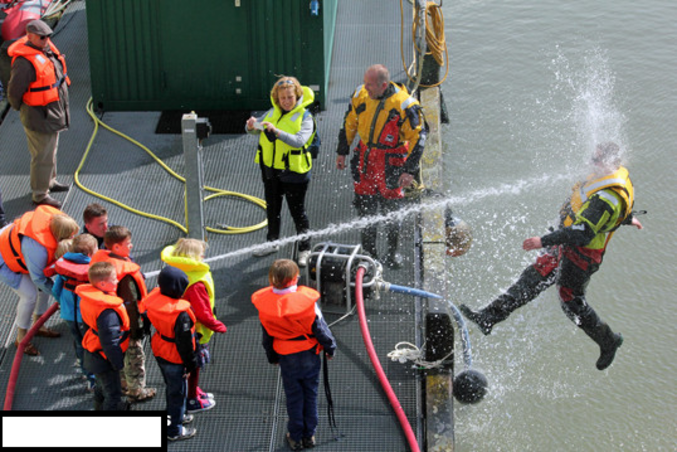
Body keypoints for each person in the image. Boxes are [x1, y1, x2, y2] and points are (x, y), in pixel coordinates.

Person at [460, 142, 643, 371]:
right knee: (534, 275)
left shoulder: (607, 198)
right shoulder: (607, 178)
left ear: (610, 163)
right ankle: (489, 317)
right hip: (567, 244)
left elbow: (583, 232)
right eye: (592, 157)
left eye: (596, 160)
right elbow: (607, 212)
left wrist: (542, 241)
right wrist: (626, 219)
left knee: (570, 301)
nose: (591, 163)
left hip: (582, 255)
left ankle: (608, 341)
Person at [336, 64, 427, 269]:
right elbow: (349, 122)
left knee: (392, 211)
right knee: (365, 208)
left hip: (392, 160)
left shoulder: (405, 105)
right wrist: (342, 150)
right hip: (366, 157)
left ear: (383, 85)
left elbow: (418, 138)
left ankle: (392, 253)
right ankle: (369, 253)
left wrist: (409, 170)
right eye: (365, 83)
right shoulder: (360, 95)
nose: (365, 88)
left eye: (370, 85)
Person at [252, 259, 336, 451]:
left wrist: (273, 357)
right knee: (311, 394)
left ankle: (295, 435)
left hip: (286, 357)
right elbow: (320, 330)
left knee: (294, 397)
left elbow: (267, 337)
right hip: (308, 355)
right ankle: (309, 435)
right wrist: (330, 348)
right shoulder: (307, 304)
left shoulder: (265, 306)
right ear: (293, 279)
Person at [245, 76, 317, 267]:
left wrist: (276, 132)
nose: (286, 101)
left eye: (290, 97)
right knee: (273, 209)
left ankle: (305, 248)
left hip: (294, 172)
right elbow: (258, 129)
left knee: (297, 212)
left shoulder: (305, 117)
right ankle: (272, 242)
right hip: (270, 170)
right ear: (276, 98)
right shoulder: (272, 112)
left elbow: (299, 140)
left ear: (297, 96)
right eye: (282, 98)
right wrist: (251, 126)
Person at [7, 19, 70, 208]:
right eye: (42, 38)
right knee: (41, 155)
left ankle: (49, 181)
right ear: (31, 37)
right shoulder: (24, 63)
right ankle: (40, 194)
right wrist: (21, 108)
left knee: (51, 151)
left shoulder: (45, 50)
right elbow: (14, 91)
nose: (46, 40)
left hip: (52, 113)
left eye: (48, 37)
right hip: (38, 116)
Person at [0, 205, 78, 355]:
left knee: (44, 289)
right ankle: (21, 337)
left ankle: (39, 325)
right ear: (59, 235)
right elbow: (38, 279)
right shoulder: (38, 249)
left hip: (20, 251)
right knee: (30, 295)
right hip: (4, 258)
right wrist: (61, 296)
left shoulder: (57, 223)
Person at [91, 225, 157, 401]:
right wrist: (137, 329)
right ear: (116, 247)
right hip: (126, 323)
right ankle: (136, 391)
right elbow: (131, 305)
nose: (132, 246)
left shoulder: (100, 261)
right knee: (135, 357)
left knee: (120, 356)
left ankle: (122, 382)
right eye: (128, 243)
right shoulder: (125, 276)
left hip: (110, 322)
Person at [161, 238, 225, 413]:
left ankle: (193, 390)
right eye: (201, 254)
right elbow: (203, 312)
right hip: (194, 332)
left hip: (176, 329)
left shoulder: (173, 272)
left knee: (187, 365)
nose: (204, 256)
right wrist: (217, 325)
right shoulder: (196, 283)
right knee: (193, 365)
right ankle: (192, 399)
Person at [143, 266, 199, 441]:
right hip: (175, 356)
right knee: (177, 392)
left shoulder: (153, 301)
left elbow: (144, 320)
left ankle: (179, 415)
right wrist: (191, 364)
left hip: (160, 348)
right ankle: (174, 429)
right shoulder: (181, 315)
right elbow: (184, 344)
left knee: (171, 386)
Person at [76, 262, 129, 410]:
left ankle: (97, 407)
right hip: (104, 358)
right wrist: (118, 363)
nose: (117, 281)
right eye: (113, 279)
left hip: (92, 352)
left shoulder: (89, 300)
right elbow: (110, 342)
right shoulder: (107, 312)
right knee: (113, 395)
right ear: (103, 284)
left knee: (101, 388)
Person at [51, 233, 98, 390]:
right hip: (86, 317)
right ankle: (95, 378)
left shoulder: (65, 269)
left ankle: (87, 375)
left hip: (69, 316)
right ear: (91, 253)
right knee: (92, 346)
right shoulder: (93, 270)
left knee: (79, 344)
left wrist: (63, 305)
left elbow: (56, 290)